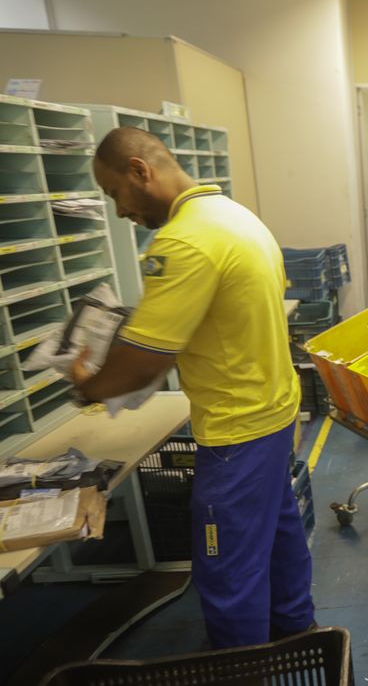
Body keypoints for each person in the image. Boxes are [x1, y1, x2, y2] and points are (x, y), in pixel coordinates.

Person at [72, 127, 315, 648]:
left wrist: (88, 387)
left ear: (140, 170)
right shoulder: (237, 217)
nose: (120, 210)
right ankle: (298, 633)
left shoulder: (183, 240)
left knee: (227, 569)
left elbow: (142, 364)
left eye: (115, 193)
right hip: (274, 412)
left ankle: (241, 670)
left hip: (235, 432)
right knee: (277, 534)